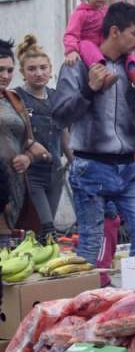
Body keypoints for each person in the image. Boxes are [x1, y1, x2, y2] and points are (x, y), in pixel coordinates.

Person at [53, 1, 135, 287]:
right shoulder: (77, 65)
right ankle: (86, 307)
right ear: (114, 31)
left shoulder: (131, 70)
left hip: (128, 167)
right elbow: (60, 116)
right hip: (91, 167)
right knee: (90, 245)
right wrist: (89, 89)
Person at [14, 34, 73, 239]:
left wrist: (77, 166)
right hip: (30, 175)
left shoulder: (57, 97)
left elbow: (65, 137)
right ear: (22, 72)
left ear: (50, 69)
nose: (39, 73)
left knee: (41, 233)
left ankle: (40, 266)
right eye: (32, 69)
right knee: (46, 229)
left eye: (43, 67)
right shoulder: (15, 98)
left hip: (55, 173)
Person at [0, 38, 51, 246]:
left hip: (15, 190)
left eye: (10, 70)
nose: (5, 76)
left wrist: (28, 158)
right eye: (0, 69)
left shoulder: (13, 99)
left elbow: (34, 146)